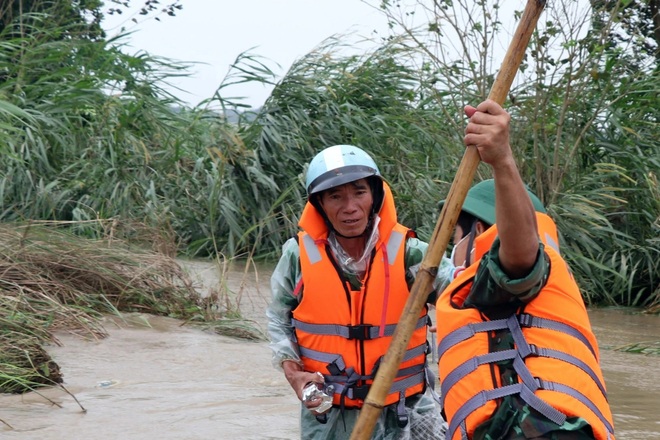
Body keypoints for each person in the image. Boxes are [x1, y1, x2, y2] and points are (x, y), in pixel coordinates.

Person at [434, 100, 615, 440]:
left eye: (455, 236)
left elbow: (518, 254)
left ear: (478, 234)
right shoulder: (514, 290)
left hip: (538, 429)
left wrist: (502, 161)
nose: (451, 249)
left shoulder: (517, 266)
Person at [266, 144, 454, 439]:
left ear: (375, 196)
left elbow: (464, 296)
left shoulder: (412, 255)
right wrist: (293, 372)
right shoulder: (298, 256)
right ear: (320, 205)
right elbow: (278, 320)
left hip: (404, 407)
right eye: (335, 196)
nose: (349, 206)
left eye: (359, 192)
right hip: (328, 411)